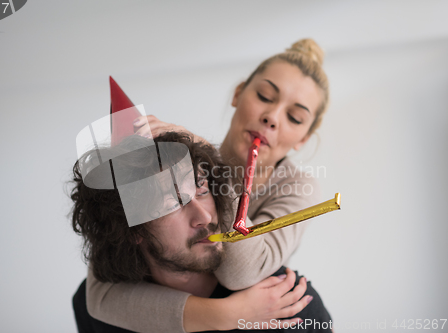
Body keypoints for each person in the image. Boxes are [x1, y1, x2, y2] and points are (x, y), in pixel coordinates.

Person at [86, 38, 331, 332]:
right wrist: (226, 314)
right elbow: (100, 295)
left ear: (303, 138)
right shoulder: (178, 158)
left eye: (294, 117)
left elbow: (242, 272)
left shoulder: (296, 187)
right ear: (238, 93)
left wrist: (212, 165)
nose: (272, 117)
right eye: (265, 96)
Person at [71, 132, 332, 332]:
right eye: (173, 203)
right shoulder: (96, 308)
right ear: (131, 230)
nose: (205, 216)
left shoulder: (289, 305)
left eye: (202, 189)